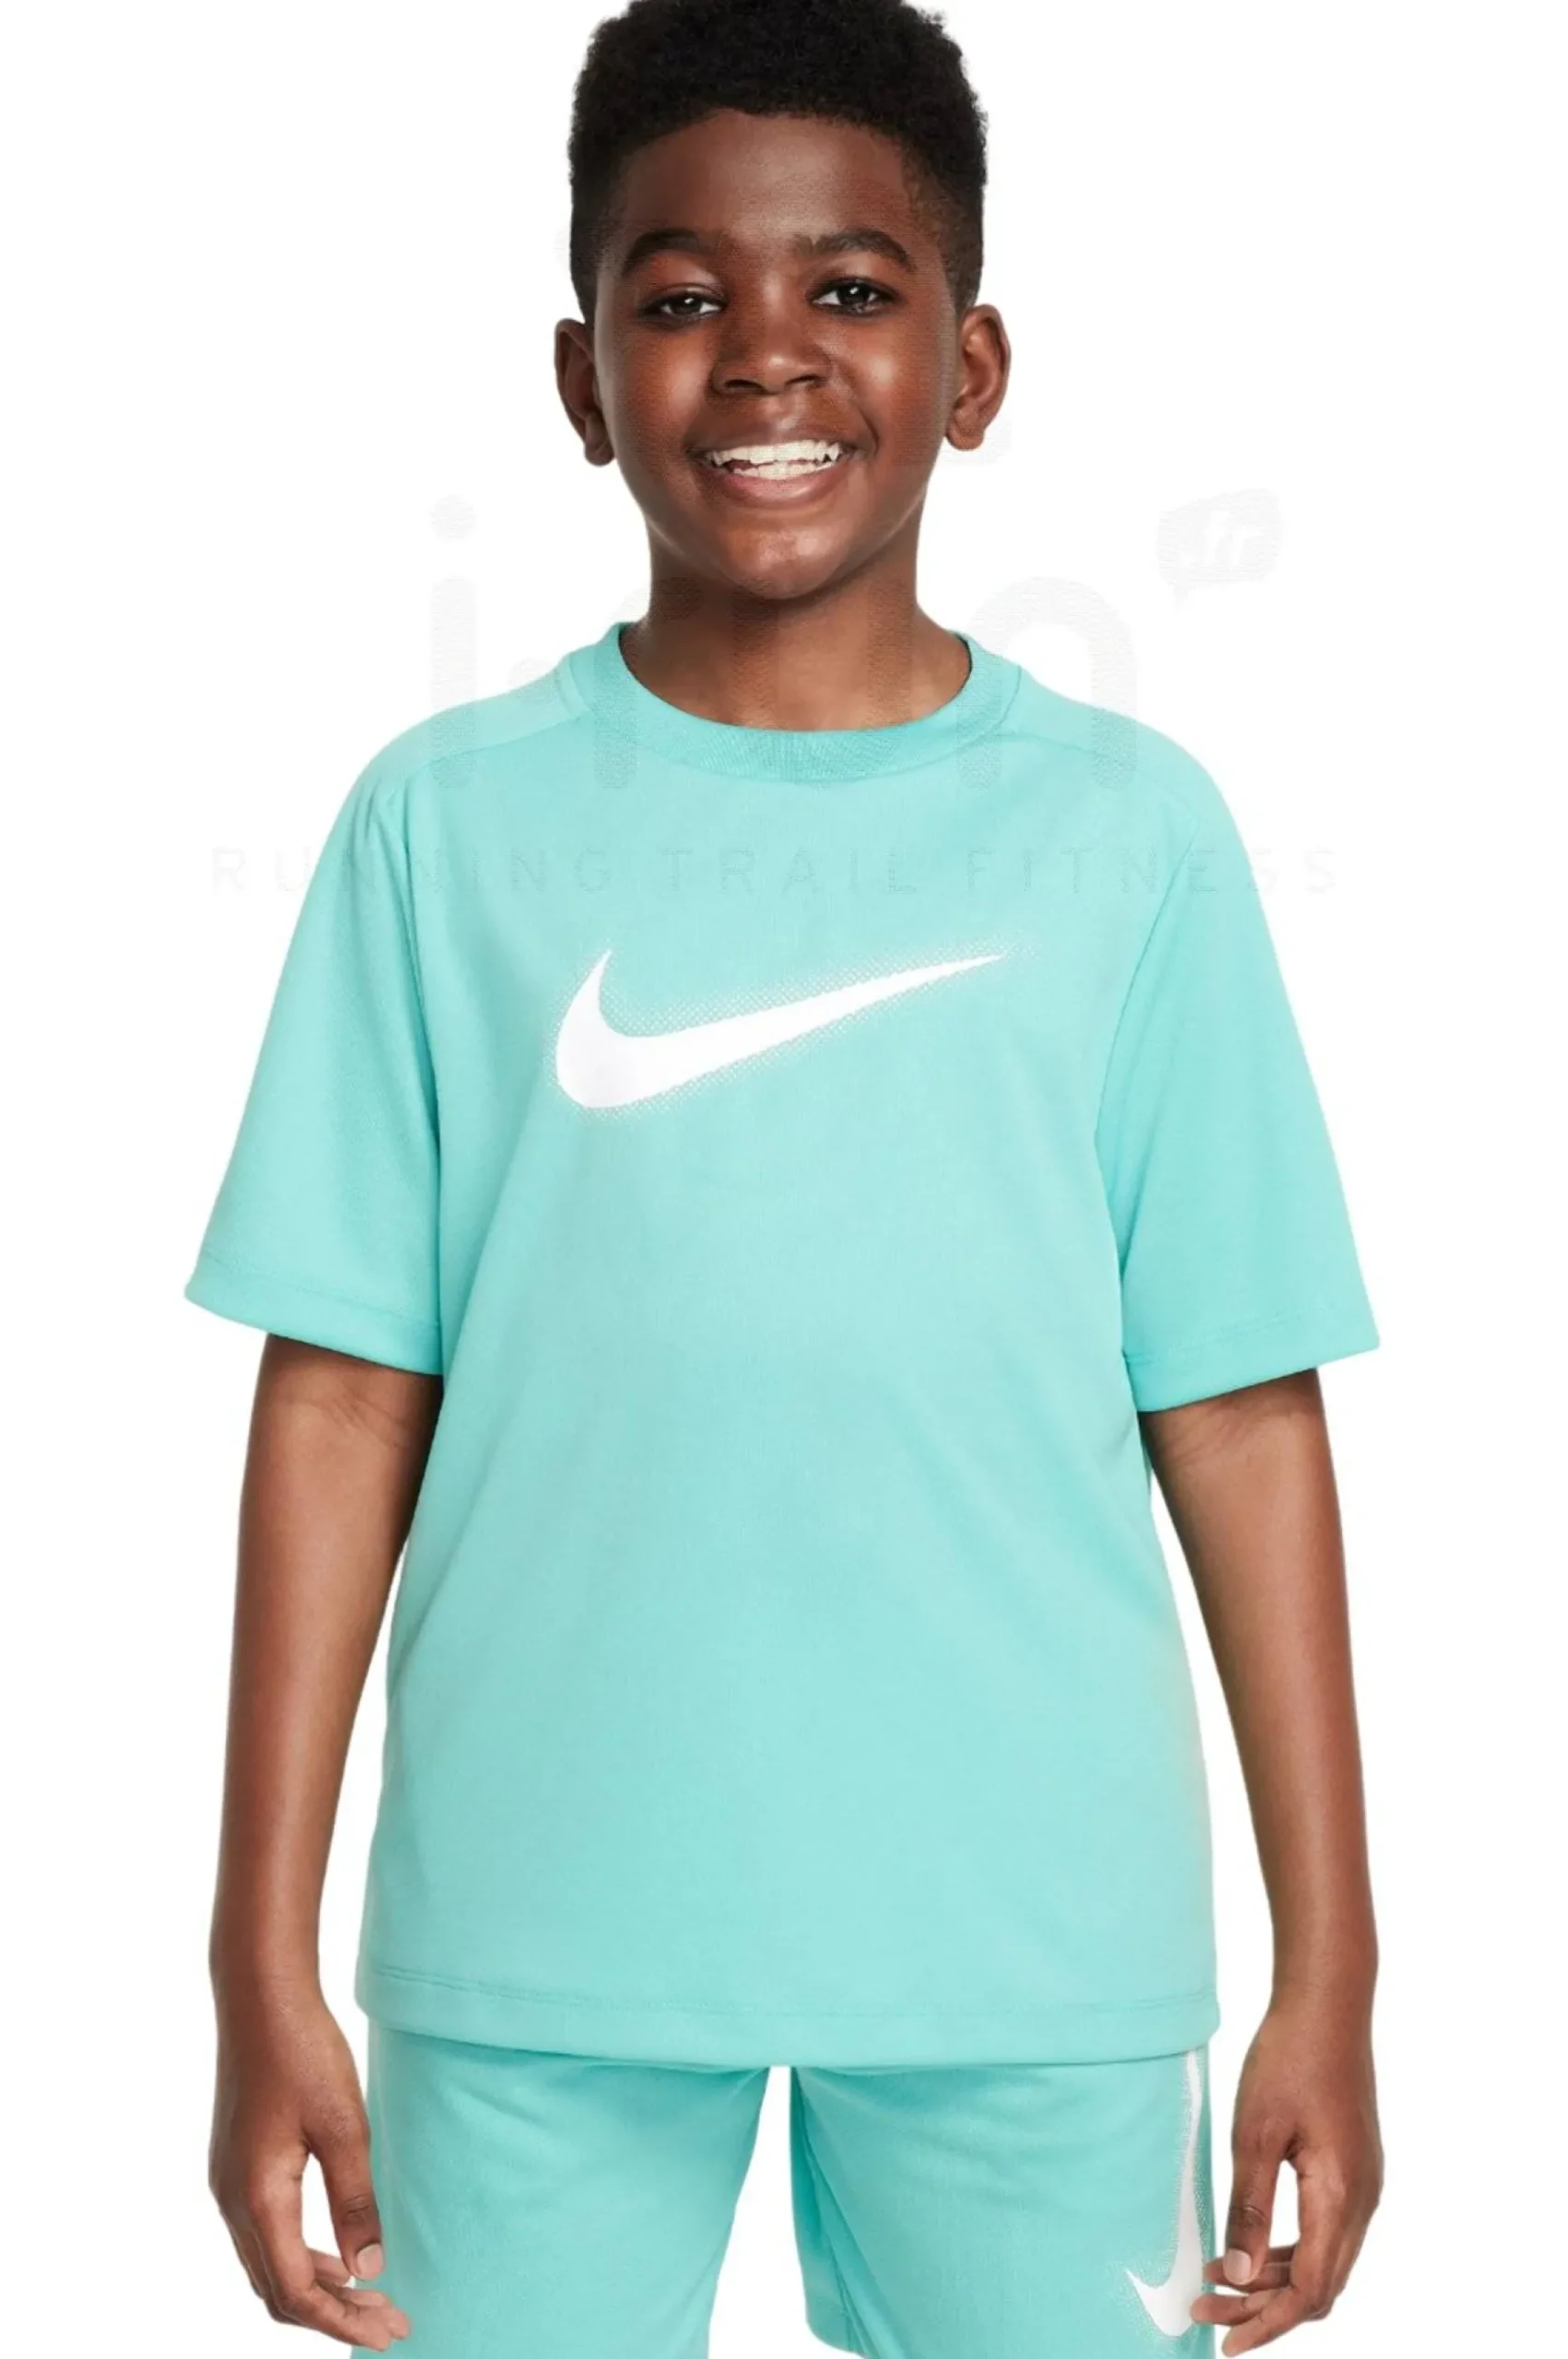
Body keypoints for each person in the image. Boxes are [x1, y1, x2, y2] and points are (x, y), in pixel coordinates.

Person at [185, 2, 1385, 2353]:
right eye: (677, 294)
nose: (762, 355)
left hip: (1033, 1939)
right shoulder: (440, 828)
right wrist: (255, 1954)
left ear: (971, 363)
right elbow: (336, 1401)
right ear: (578, 375)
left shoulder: (1129, 837)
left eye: (846, 287)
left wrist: (1326, 1968)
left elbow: (1239, 1410)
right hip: (533, 1925)